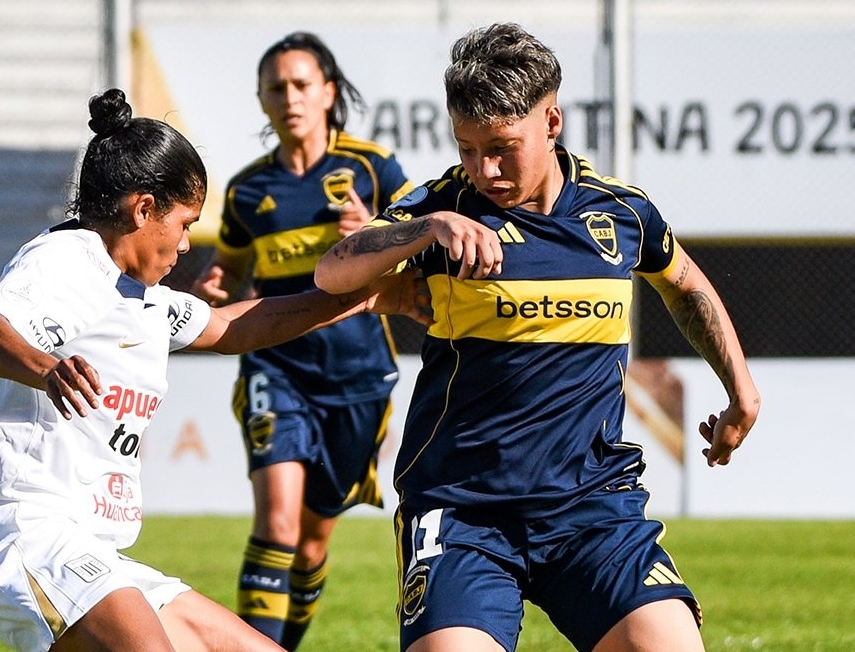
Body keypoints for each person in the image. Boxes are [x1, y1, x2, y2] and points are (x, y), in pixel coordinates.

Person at [315, 23, 761, 652]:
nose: (483, 169)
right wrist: (427, 229)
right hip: (463, 511)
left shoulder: (620, 213)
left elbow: (684, 285)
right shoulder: (443, 207)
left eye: (502, 147)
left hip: (592, 508)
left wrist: (741, 390)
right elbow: (333, 271)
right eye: (467, 148)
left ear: (551, 122)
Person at [0, 88, 428, 652]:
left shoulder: (143, 297)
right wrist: (47, 368)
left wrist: (370, 299)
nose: (184, 244)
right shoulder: (69, 257)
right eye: (184, 223)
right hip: (24, 533)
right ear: (143, 208)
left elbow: (234, 327)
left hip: (95, 553)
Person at [190, 32, 413, 650]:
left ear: (328, 93)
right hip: (275, 367)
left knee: (313, 538)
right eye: (276, 88)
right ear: (261, 100)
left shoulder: (373, 169)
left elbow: (421, 264)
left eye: (301, 85)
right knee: (278, 522)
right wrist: (216, 284)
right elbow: (230, 270)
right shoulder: (244, 191)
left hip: (358, 375)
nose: (289, 98)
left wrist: (376, 235)